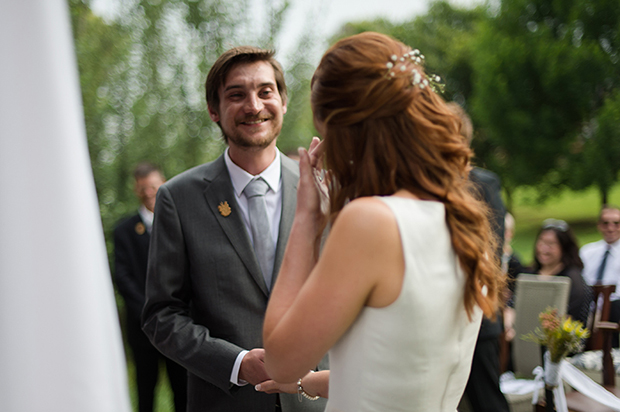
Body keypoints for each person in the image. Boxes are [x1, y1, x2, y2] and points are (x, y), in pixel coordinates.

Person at [261, 32, 505, 412]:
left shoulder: (371, 222)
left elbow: (280, 359)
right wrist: (310, 383)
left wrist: (308, 218)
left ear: (344, 132)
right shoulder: (462, 217)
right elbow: (401, 366)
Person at [141, 46, 327, 412]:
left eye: (265, 91)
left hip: (319, 401)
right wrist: (237, 364)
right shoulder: (178, 199)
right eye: (237, 95)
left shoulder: (324, 187)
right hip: (225, 402)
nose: (254, 106)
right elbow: (161, 315)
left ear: (284, 101)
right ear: (214, 110)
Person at [446, 102, 510, 412]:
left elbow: (491, 251)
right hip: (439, 322)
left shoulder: (484, 183)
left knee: (488, 403)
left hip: (478, 317)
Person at [114, 162, 187, 412]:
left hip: (180, 325)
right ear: (136, 189)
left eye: (153, 186)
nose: (149, 192)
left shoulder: (182, 223)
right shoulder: (124, 230)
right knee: (146, 389)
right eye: (143, 187)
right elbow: (122, 277)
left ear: (164, 184)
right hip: (142, 326)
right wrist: (148, 311)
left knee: (183, 389)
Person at [529, 219, 592, 326]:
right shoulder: (530, 274)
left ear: (564, 248)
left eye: (551, 244)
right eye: (541, 242)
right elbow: (514, 304)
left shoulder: (573, 280)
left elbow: (575, 319)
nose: (544, 248)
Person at [580, 205, 620, 346]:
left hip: (614, 310)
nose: (610, 228)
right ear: (599, 226)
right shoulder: (587, 251)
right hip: (587, 307)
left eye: (616, 223)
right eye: (605, 223)